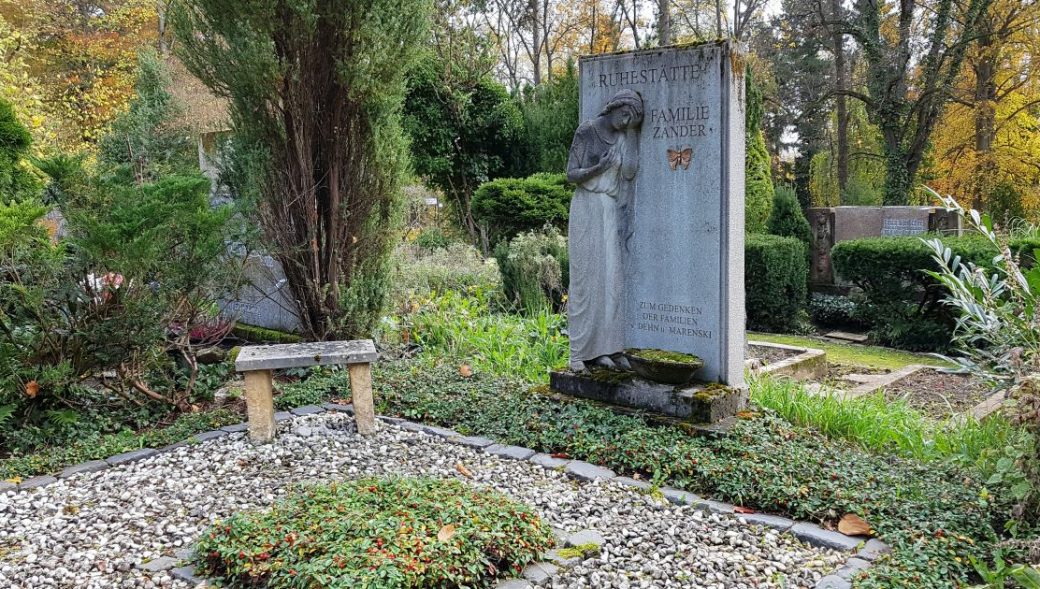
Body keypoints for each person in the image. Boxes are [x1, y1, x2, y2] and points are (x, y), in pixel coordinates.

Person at [565, 89, 644, 372]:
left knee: (610, 281)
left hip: (608, 209)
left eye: (632, 120)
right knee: (586, 281)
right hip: (586, 207)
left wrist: (633, 132)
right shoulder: (587, 131)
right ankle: (578, 353)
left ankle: (605, 350)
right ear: (615, 106)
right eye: (626, 115)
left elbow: (630, 171)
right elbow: (571, 174)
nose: (626, 121)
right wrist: (599, 167)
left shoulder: (624, 137)